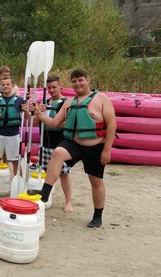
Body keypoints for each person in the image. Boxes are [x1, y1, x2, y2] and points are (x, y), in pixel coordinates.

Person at [33, 69, 116, 228]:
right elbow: (53, 123)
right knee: (57, 152)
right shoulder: (69, 103)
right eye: (74, 81)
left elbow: (112, 125)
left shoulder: (101, 99)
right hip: (75, 143)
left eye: (80, 80)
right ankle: (45, 192)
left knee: (96, 181)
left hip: (95, 146)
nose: (78, 83)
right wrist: (38, 113)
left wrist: (107, 150)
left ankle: (97, 216)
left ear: (87, 80)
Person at [31, 76, 73, 212]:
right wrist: (40, 113)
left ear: (60, 87)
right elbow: (37, 123)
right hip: (45, 143)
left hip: (61, 144)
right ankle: (46, 198)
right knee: (46, 173)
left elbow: (69, 123)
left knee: (64, 174)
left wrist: (53, 122)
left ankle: (68, 202)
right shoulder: (44, 102)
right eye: (49, 87)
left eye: (54, 87)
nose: (51, 90)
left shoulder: (67, 103)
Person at [0, 77, 27, 175]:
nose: (5, 86)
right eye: (3, 84)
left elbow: (27, 117)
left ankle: (19, 183)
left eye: (7, 84)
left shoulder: (20, 100)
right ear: (0, 86)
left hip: (13, 135)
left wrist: (27, 108)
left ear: (12, 86)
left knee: (15, 162)